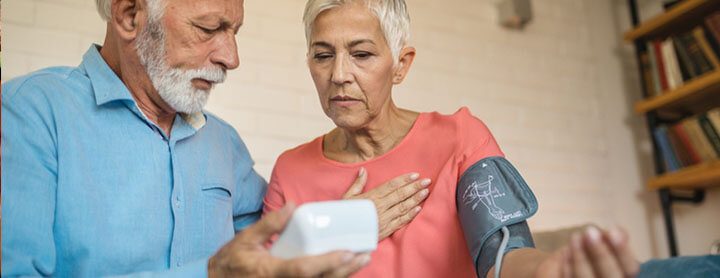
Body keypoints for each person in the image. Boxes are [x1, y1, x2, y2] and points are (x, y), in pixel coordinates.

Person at [1, 0, 428, 276]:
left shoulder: (223, 144)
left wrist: (343, 223)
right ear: (129, 15)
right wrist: (212, 273)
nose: (231, 57)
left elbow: (270, 253)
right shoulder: (30, 113)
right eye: (209, 29)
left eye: (234, 31)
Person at [263, 0, 641, 277]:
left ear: (401, 65)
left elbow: (502, 252)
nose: (339, 74)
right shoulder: (291, 170)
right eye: (322, 55)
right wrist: (337, 228)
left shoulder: (459, 138)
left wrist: (548, 271)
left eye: (361, 54)